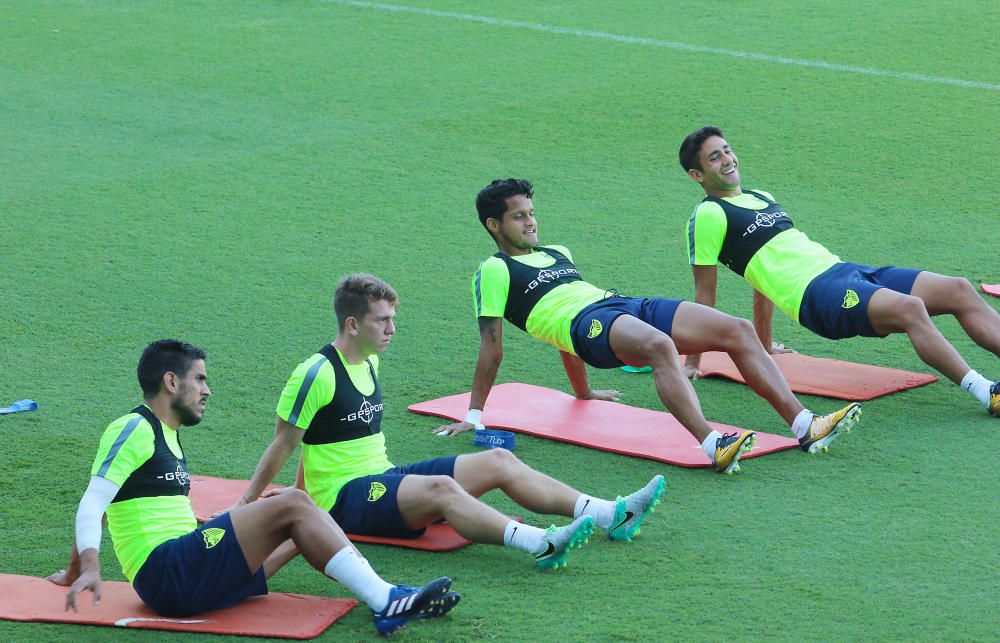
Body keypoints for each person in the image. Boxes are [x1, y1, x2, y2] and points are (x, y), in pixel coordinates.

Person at [230, 273, 663, 570]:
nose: (392, 329)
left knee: (497, 460)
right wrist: (251, 504)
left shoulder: (369, 364)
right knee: (443, 489)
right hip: (347, 500)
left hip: (379, 479)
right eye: (382, 320)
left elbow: (318, 441)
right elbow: (284, 444)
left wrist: (301, 491)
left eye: (393, 319)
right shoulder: (315, 374)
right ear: (351, 323)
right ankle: (541, 542)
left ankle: (611, 514)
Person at [433, 179, 861, 474]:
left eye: (531, 213)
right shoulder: (494, 269)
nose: (530, 222)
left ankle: (805, 425)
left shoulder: (556, 252)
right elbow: (495, 347)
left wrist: (582, 392)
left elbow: (553, 337)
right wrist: (474, 415)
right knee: (660, 346)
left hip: (619, 304)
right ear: (494, 225)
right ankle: (713, 444)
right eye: (518, 217)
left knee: (737, 329)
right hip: (589, 327)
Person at [48, 339, 458, 636]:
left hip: (186, 571)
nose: (207, 390)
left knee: (314, 519)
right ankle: (387, 599)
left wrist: (72, 570)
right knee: (296, 503)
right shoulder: (134, 428)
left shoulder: (167, 435)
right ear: (171, 382)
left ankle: (386, 595)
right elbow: (93, 501)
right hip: (168, 572)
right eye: (200, 379)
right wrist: (89, 566)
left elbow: (108, 506)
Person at [679, 126, 1000, 417]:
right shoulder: (709, 214)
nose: (727, 159)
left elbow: (762, 280)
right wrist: (693, 361)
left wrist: (765, 343)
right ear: (697, 175)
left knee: (957, 289)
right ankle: (986, 392)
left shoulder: (761, 196)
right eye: (714, 157)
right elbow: (704, 295)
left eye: (727, 150)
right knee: (909, 308)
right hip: (816, 297)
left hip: (844, 271)